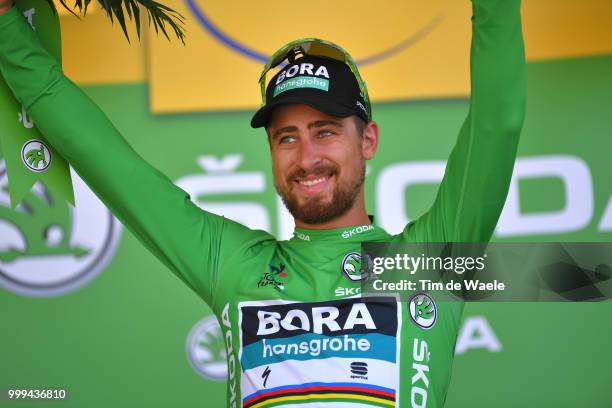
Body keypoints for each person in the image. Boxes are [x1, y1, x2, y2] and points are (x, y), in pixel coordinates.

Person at [0, 0, 525, 406]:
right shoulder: (234, 266)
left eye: (325, 131)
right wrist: (7, 27)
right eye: (287, 138)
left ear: (367, 141)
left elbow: (497, 123)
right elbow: (108, 162)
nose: (307, 157)